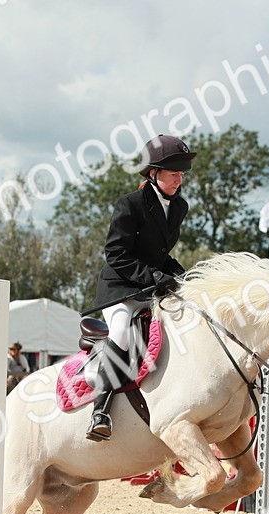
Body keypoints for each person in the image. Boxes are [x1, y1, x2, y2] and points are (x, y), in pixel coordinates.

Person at [85, 134, 196, 441]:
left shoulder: (179, 207)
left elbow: (160, 254)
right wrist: (153, 276)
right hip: (121, 288)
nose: (179, 178)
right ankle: (101, 410)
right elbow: (117, 254)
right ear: (153, 173)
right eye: (173, 173)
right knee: (121, 333)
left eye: (182, 173)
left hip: (151, 290)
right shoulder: (129, 204)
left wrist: (179, 273)